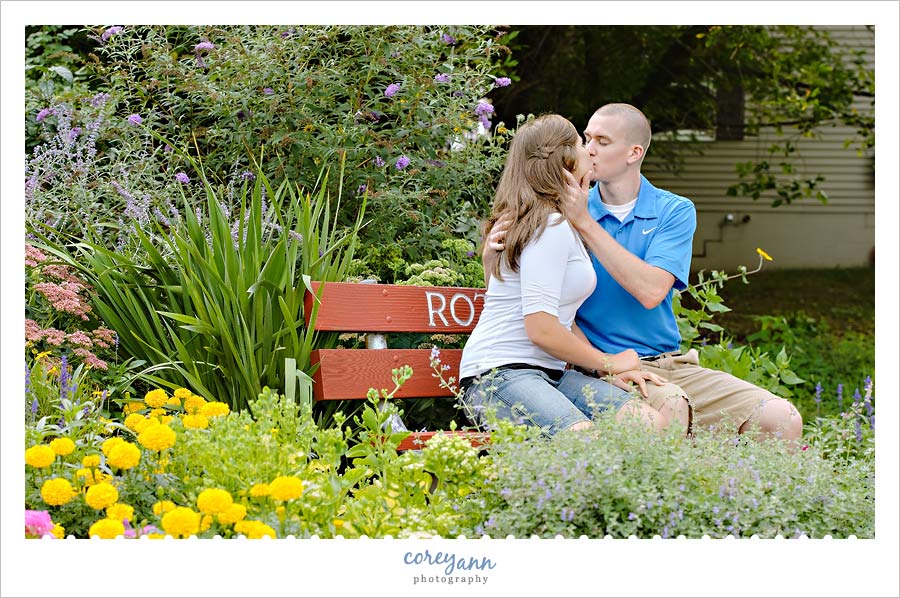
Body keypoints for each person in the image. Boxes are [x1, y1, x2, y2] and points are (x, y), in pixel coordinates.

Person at [484, 103, 802, 442]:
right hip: (600, 367)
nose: (589, 149)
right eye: (587, 139)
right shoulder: (560, 213)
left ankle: (743, 495)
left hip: (671, 365)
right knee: (668, 410)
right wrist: (492, 256)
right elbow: (534, 302)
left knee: (781, 419)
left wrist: (586, 223)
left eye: (602, 141)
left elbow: (652, 291)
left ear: (634, 152)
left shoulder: (672, 210)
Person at [459, 113, 679, 437]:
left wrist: (603, 373)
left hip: (550, 374)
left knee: (651, 426)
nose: (589, 150)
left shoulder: (561, 224)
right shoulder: (549, 226)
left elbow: (561, 319)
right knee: (583, 440)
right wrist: (609, 362)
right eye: (580, 143)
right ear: (563, 160)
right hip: (499, 377)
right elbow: (541, 330)